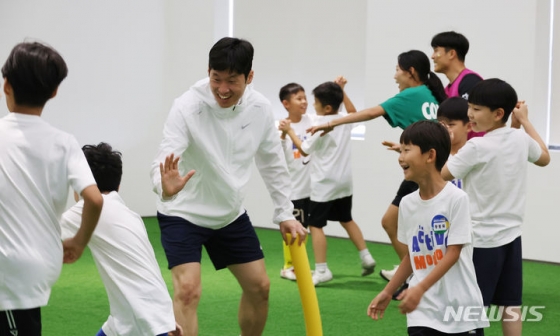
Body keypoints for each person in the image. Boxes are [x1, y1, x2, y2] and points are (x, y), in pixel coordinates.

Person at [150, 37, 307, 336]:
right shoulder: (186, 106)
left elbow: (272, 163)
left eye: (232, 81)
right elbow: (165, 156)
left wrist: (284, 212)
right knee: (188, 291)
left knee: (260, 287)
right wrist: (164, 186)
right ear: (208, 72)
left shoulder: (260, 109)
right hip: (183, 212)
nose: (223, 89)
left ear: (249, 77)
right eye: (216, 79)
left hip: (229, 214)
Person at [308, 50, 446, 293]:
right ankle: (413, 271)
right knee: (404, 225)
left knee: (393, 223)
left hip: (426, 174)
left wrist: (330, 122)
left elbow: (370, 113)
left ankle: (418, 276)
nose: (394, 76)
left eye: (397, 70)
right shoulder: (428, 94)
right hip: (433, 170)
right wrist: (405, 149)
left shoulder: (409, 95)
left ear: (410, 72)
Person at [0, 42, 103, 336]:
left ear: (6, 85)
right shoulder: (64, 143)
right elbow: (94, 200)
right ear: (54, 92)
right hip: (34, 270)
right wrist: (79, 241)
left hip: (9, 273)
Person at [442, 79, 550, 336]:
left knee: (471, 310)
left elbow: (444, 173)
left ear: (498, 113)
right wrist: (523, 122)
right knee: (510, 305)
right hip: (511, 238)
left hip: (480, 241)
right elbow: (544, 157)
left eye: (477, 109)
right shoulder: (519, 139)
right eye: (470, 107)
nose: (470, 114)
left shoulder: (476, 147)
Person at [368, 120, 488, 336]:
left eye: (407, 150)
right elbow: (412, 256)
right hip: (422, 309)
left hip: (459, 309)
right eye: (400, 150)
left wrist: (419, 289)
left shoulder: (457, 199)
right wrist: (388, 291)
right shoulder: (407, 203)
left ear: (430, 156)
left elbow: (453, 253)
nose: (400, 157)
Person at [61, 143, 182, 336]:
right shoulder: (130, 215)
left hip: (142, 323)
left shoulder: (89, 208)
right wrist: (164, 319)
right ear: (118, 185)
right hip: (134, 320)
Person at [279, 80, 376, 286]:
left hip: (324, 183)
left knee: (315, 225)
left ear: (327, 107)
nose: (310, 104)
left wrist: (290, 132)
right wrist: (342, 90)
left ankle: (322, 270)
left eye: (314, 101)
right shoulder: (343, 118)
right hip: (344, 182)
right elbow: (353, 111)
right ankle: (366, 256)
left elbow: (304, 149)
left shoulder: (320, 126)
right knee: (346, 219)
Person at [278, 82, 312, 281]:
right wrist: (284, 132)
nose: (304, 102)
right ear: (286, 104)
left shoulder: (312, 120)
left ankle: (300, 265)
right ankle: (289, 266)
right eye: (299, 98)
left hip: (312, 188)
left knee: (306, 226)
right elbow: (278, 153)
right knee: (295, 226)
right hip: (294, 188)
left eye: (305, 97)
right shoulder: (281, 126)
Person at [436, 97, 471, 189]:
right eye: (441, 125)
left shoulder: (473, 153)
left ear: (468, 126)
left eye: (451, 125)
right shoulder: (434, 155)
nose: (445, 129)